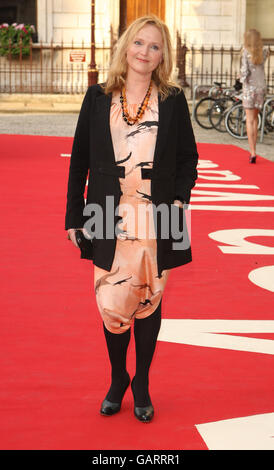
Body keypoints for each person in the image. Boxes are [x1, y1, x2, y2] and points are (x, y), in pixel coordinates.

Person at [64, 15, 199, 423]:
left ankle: (140, 383)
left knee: (149, 298)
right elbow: (80, 160)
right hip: (106, 211)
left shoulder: (173, 99)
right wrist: (74, 215)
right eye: (138, 43)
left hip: (159, 214)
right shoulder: (97, 96)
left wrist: (179, 200)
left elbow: (187, 158)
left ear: (163, 56)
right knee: (110, 300)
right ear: (126, 47)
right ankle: (118, 376)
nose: (144, 52)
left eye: (154, 47)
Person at [239, 29, 269, 163]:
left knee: (249, 120)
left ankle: (252, 152)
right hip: (261, 88)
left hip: (249, 88)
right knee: (256, 118)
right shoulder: (264, 51)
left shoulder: (246, 51)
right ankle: (254, 149)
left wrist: (239, 78)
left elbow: (245, 71)